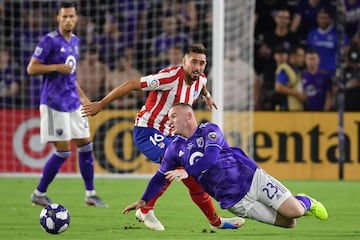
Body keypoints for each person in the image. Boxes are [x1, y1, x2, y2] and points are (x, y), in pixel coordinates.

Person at [82, 43, 243, 231]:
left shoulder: (200, 80)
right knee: (176, 162)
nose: (197, 67)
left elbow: (203, 86)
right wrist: (101, 104)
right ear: (184, 62)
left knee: (192, 173)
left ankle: (215, 222)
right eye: (193, 62)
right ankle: (146, 209)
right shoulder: (169, 77)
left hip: (171, 135)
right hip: (147, 130)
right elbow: (132, 84)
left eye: (202, 63)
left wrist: (207, 96)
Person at [123, 103, 329, 229]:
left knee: (294, 211)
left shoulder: (209, 130)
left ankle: (306, 201)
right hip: (235, 201)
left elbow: (211, 157)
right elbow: (160, 177)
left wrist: (187, 171)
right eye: (168, 119)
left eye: (173, 117)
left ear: (189, 116)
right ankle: (298, 206)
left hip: (252, 179)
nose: (169, 122)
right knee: (289, 223)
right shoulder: (174, 148)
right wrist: (144, 200)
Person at [26, 1, 107, 208]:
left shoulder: (76, 42)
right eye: (64, 17)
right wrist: (55, 67)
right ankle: (39, 193)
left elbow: (72, 76)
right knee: (63, 151)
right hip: (54, 103)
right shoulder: (49, 41)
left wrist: (85, 99)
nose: (68, 20)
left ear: (77, 18)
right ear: (58, 18)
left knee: (86, 145)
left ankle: (91, 194)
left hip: (73, 102)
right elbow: (31, 69)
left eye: (71, 16)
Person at [275, 45, 306, 111]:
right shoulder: (285, 69)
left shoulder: (297, 70)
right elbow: (279, 87)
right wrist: (297, 94)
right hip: (285, 109)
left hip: (295, 109)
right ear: (292, 56)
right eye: (301, 56)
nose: (303, 59)